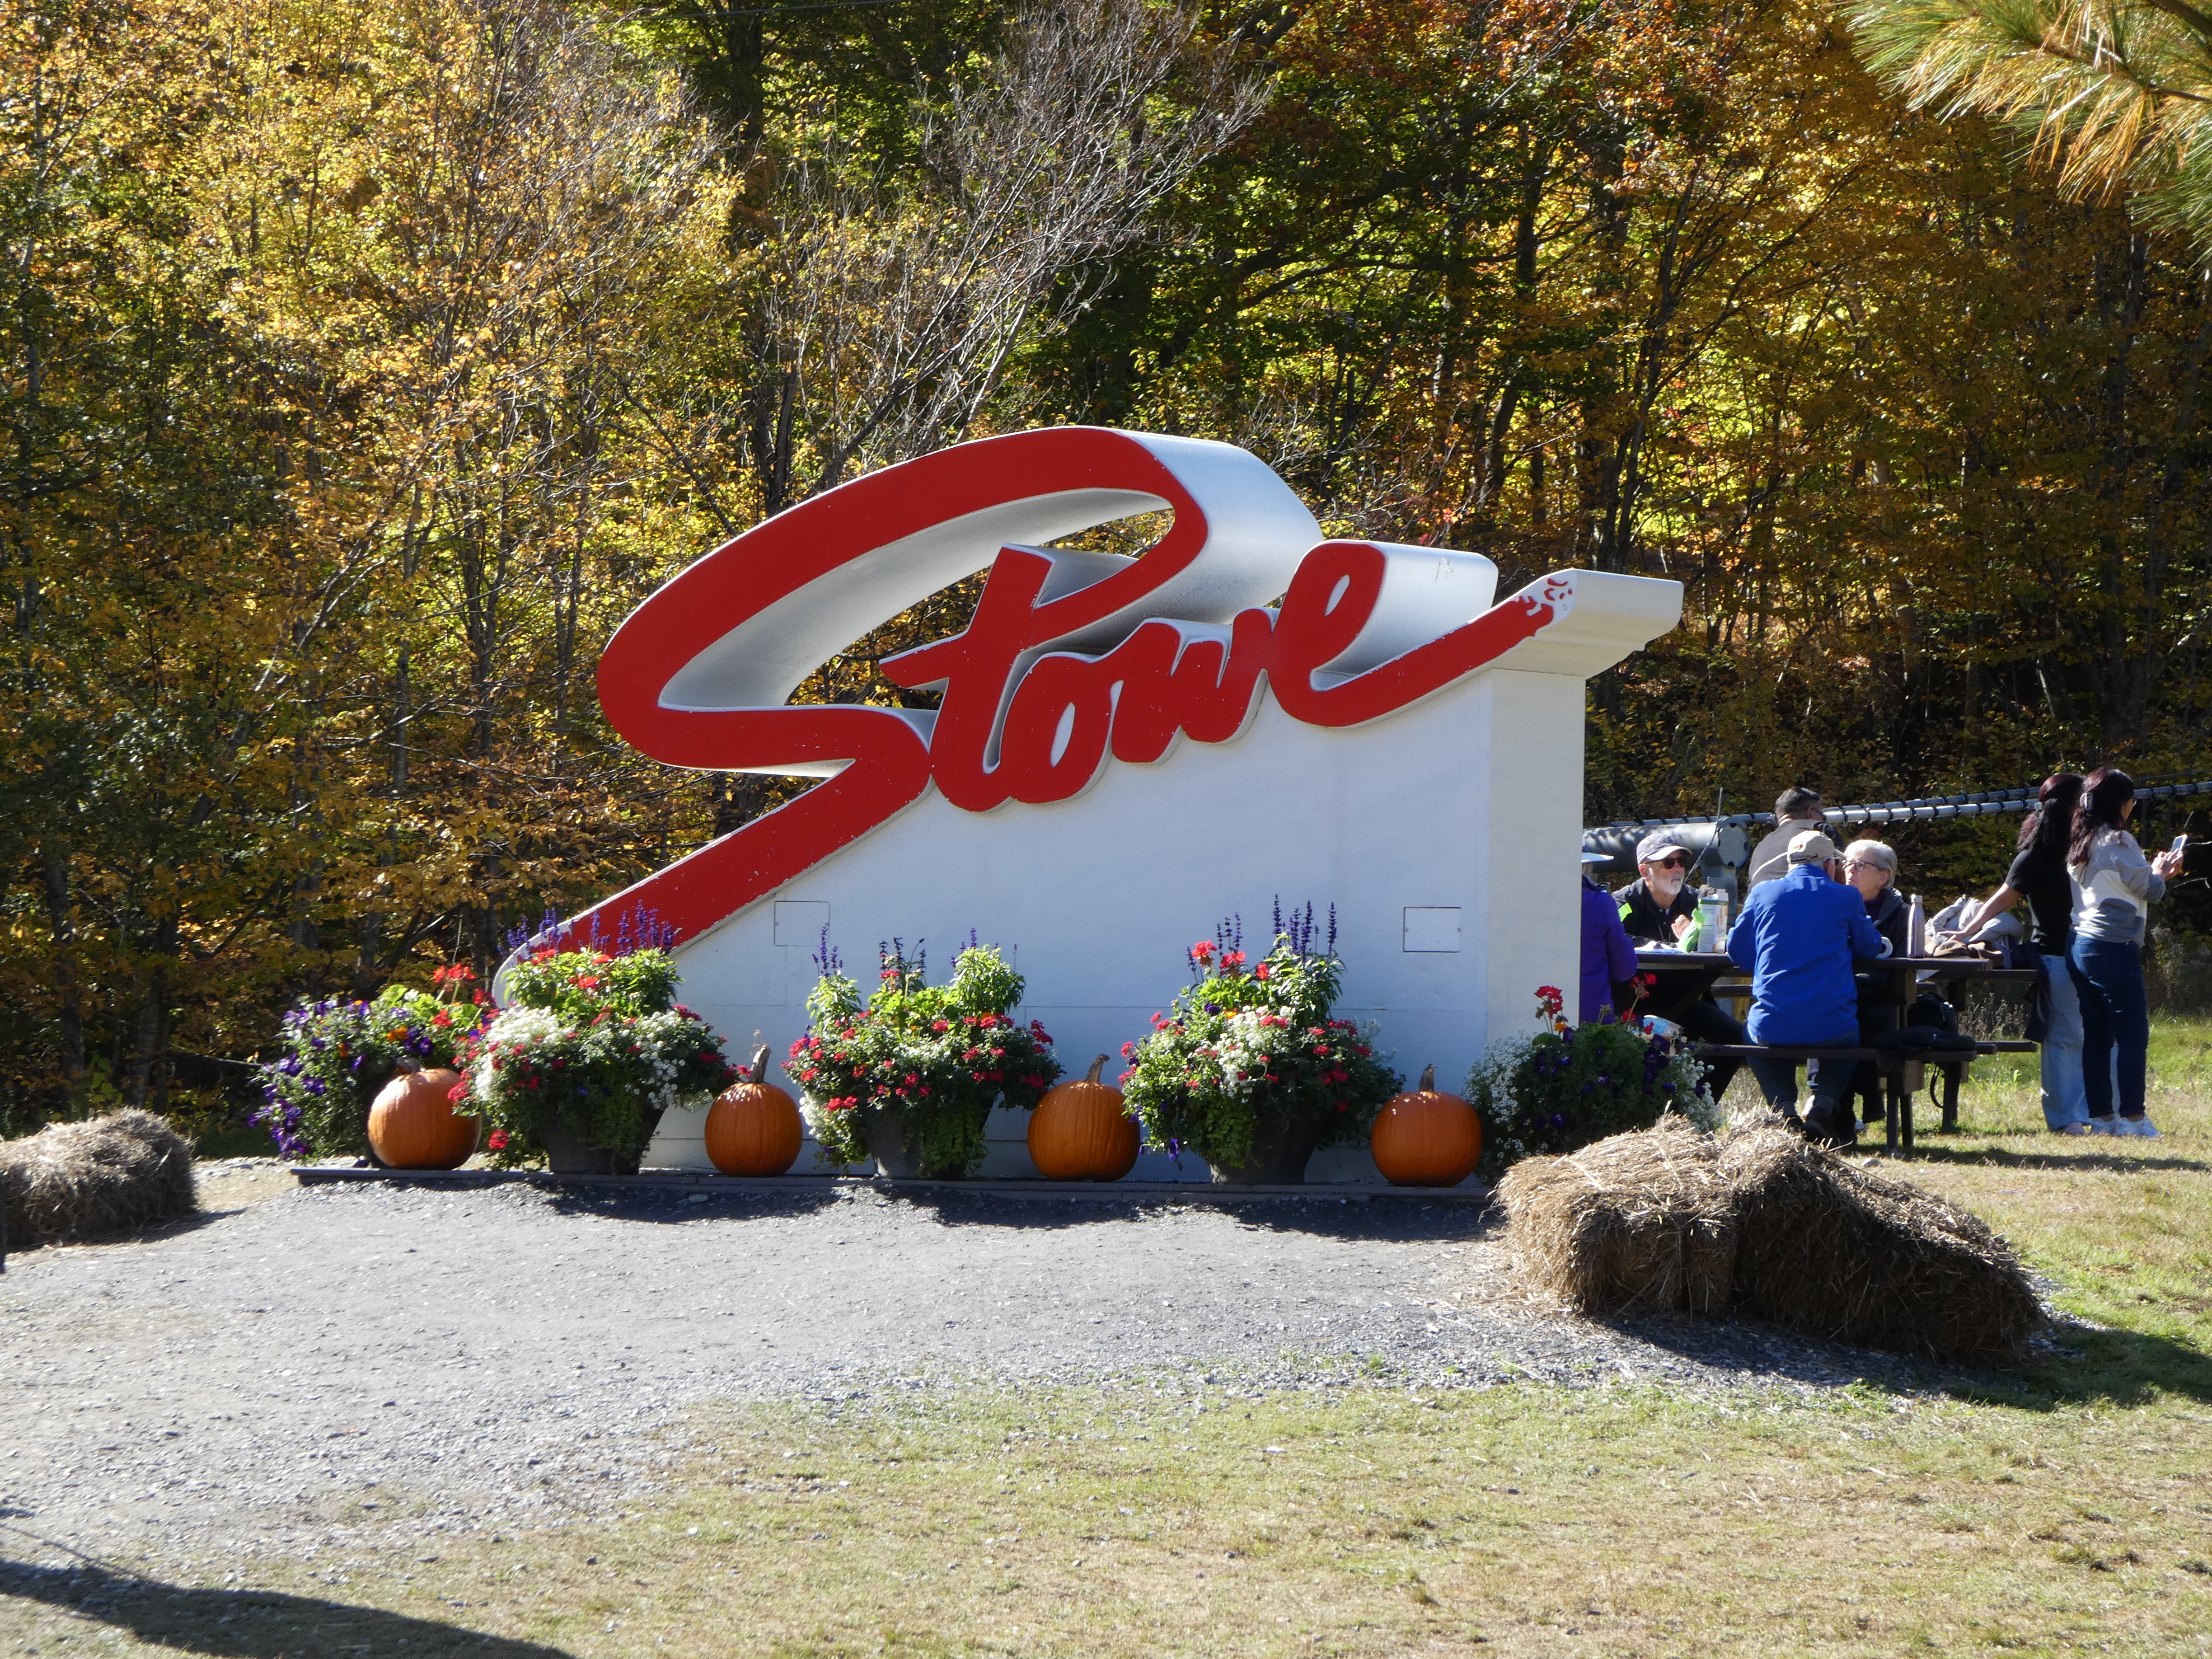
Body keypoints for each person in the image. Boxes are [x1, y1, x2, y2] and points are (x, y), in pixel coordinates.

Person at [1727, 829, 1891, 1143]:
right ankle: (1822, 1106)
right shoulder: (1846, 897)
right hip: (1831, 1026)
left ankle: (1784, 1108)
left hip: (1772, 1025)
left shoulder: (1762, 893)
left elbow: (1739, 954)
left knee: (1752, 1032)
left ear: (1789, 864)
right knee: (1851, 1035)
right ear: (1831, 866)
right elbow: (1869, 949)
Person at [1950, 774, 2089, 1134]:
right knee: (2065, 1037)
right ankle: (2065, 1118)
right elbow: (2002, 898)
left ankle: (2094, 1112)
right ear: (2071, 806)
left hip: (2092, 952)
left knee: (2093, 1035)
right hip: (2056, 955)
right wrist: (1966, 932)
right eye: (2083, 800)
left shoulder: (2088, 850)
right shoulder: (2036, 856)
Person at [2067, 768, 2184, 1137]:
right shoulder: (2119, 841)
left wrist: (2153, 875)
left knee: (2098, 1035)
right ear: (2123, 804)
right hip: (2114, 946)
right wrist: (2162, 871)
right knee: (2133, 1032)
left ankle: (2102, 1118)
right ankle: (2134, 1118)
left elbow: (2122, 885)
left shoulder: (2081, 840)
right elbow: (2150, 890)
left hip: (2080, 943)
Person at [1614, 830, 1752, 1101]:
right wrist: (1661, 946)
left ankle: (1699, 1107)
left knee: (1733, 1037)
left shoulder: (1697, 902)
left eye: (1681, 862)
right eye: (1668, 863)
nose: (1678, 869)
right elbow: (1615, 939)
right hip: (1633, 1007)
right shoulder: (1623, 903)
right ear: (1645, 871)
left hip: (1686, 1001)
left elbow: (1723, 941)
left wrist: (1702, 937)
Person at [1841, 839, 1908, 1127]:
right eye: (1846, 863)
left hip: (1885, 1000)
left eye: (1859, 865)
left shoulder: (1902, 913)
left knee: (1849, 1014)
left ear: (1883, 877)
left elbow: (1907, 965)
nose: (1849, 870)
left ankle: (1831, 1104)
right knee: (1843, 1014)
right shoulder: (1837, 906)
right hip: (1844, 999)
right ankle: (1867, 1096)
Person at [1579, 852, 1639, 1024]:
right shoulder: (1600, 903)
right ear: (1585, 867)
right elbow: (1624, 970)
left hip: (1541, 1012)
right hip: (1592, 1020)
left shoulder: (1531, 900)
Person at [1745, 787, 1826, 891]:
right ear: (1811, 812)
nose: (1824, 820)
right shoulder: (1818, 828)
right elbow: (1844, 874)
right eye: (1823, 815)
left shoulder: (1759, 848)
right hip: (1805, 903)